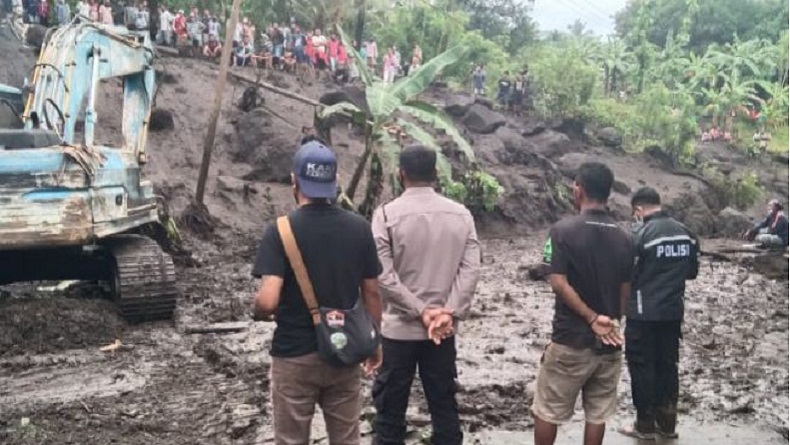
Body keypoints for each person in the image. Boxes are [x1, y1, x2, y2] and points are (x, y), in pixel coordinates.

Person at [252, 137, 383, 445]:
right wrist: (374, 340)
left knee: (291, 439)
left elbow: (268, 300)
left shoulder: (281, 230)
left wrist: (257, 309)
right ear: (335, 181)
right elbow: (372, 292)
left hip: (294, 355)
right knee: (347, 438)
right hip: (345, 350)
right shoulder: (359, 228)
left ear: (294, 180)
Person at [371, 144, 481, 445]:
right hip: (442, 331)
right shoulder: (461, 215)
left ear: (401, 174)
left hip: (398, 331)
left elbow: (383, 275)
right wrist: (447, 311)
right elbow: (470, 270)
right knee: (444, 407)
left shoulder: (385, 215)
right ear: (435, 173)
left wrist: (420, 310)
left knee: (389, 413)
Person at [532, 162, 633, 445]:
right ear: (608, 193)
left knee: (548, 410)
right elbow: (626, 289)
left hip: (570, 339)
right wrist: (612, 322)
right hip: (609, 342)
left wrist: (590, 318)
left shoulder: (562, 230)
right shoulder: (626, 237)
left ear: (579, 189)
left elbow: (557, 281)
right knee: (597, 414)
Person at [618, 187, 699, 441]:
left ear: (639, 210)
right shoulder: (686, 234)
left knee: (642, 367)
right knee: (668, 365)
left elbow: (627, 275)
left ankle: (644, 425)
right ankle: (667, 423)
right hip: (673, 312)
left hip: (642, 314)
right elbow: (692, 272)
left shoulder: (639, 234)